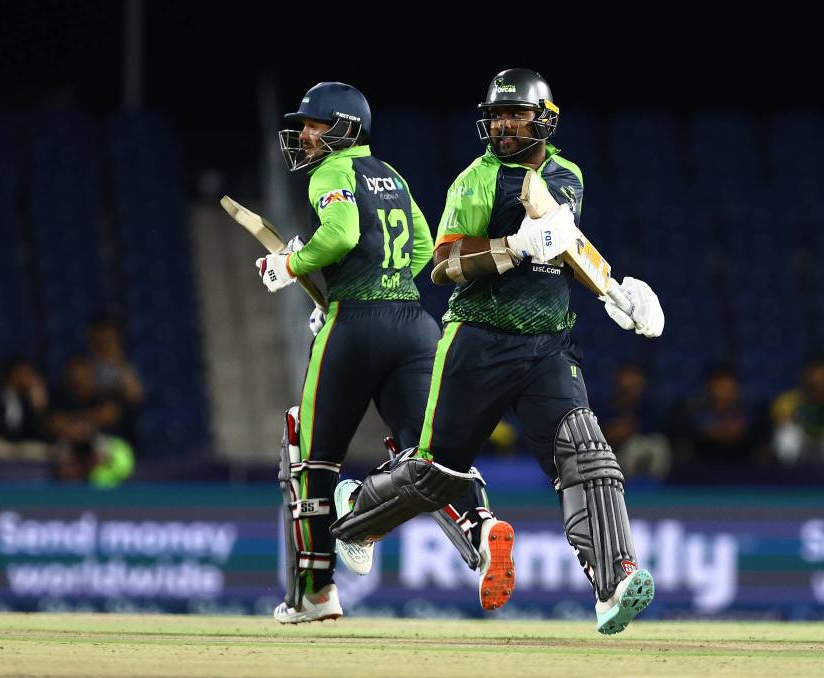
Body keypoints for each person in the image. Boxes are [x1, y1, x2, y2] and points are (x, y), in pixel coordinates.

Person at [330, 68, 665, 635]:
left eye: (517, 115)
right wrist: (511, 247)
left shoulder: (567, 174)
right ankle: (358, 513)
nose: (506, 125)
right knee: (439, 474)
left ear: (545, 119)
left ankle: (614, 583)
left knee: (589, 456)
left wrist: (616, 292)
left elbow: (565, 242)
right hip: (477, 342)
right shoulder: (475, 181)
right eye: (498, 116)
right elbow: (443, 265)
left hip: (548, 345)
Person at [257, 82, 512, 624]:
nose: (304, 134)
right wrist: (382, 281)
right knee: (431, 453)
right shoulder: (390, 175)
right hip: (414, 323)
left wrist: (293, 266)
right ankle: (483, 526)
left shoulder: (333, 172)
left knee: (312, 457)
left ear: (347, 129)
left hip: (357, 327)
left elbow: (342, 234)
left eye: (314, 124)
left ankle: (315, 593)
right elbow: (421, 243)